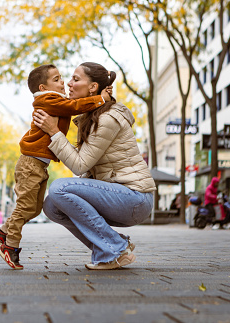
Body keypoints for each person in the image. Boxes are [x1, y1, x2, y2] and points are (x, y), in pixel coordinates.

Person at [33, 62, 156, 270]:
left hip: (135, 198)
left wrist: (55, 132)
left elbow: (79, 165)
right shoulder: (91, 117)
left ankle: (114, 248)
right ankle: (111, 247)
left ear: (92, 88)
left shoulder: (108, 118)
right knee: (52, 206)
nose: (68, 84)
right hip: (118, 196)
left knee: (59, 188)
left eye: (75, 79)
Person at [0, 64, 112, 270]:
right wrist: (101, 99)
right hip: (31, 163)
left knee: (35, 208)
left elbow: (74, 105)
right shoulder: (48, 99)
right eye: (56, 79)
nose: (63, 82)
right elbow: (74, 108)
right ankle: (10, 246)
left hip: (38, 164)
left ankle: (2, 231)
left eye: (61, 78)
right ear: (43, 87)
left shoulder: (56, 100)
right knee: (25, 206)